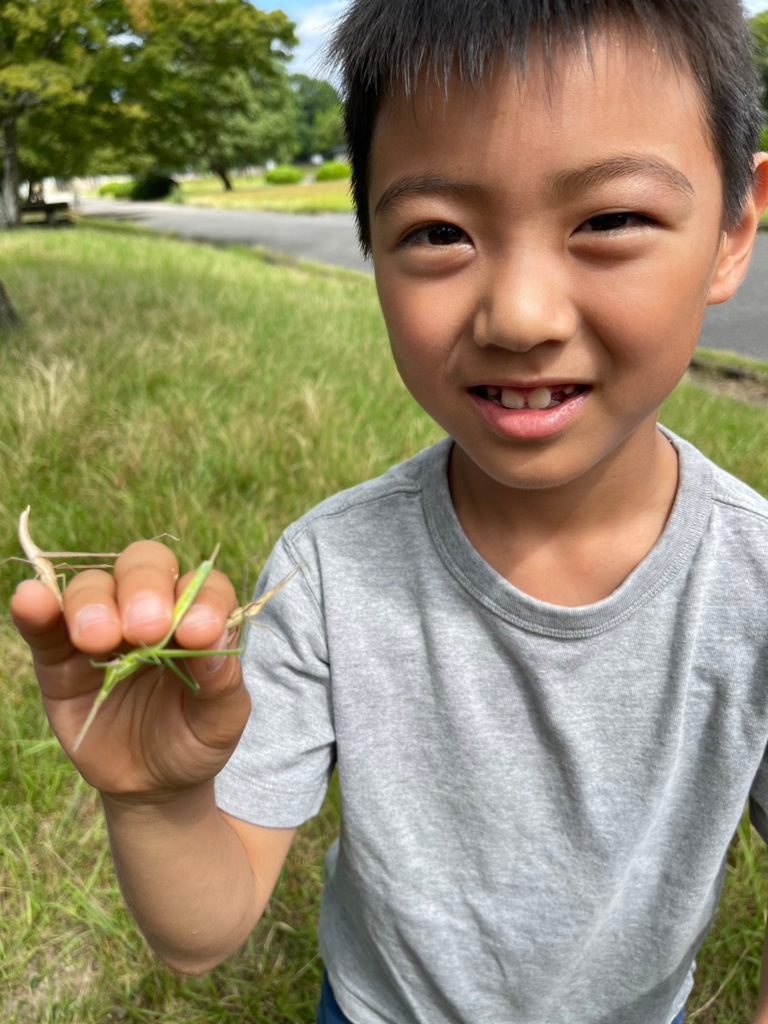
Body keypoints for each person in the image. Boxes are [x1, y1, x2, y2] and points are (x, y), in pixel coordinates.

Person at [10, 1, 768, 1021]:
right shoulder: (326, 571)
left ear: (733, 231)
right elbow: (202, 932)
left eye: (610, 220)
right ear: (371, 240)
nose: (521, 317)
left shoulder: (755, 584)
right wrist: (158, 798)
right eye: (439, 232)